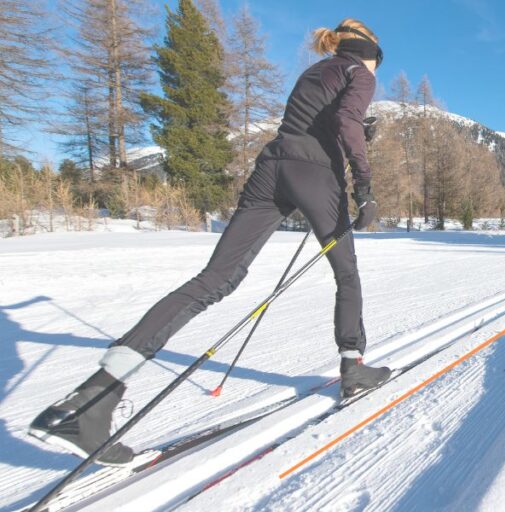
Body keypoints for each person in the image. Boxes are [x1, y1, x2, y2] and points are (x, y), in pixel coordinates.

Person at [29, 19, 390, 466]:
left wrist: (347, 132)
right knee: (346, 273)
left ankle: (92, 400)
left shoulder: (315, 71)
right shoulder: (361, 72)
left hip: (271, 166)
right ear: (369, 51)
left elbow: (320, 119)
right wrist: (365, 187)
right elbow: (345, 119)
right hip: (313, 173)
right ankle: (353, 368)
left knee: (216, 278)